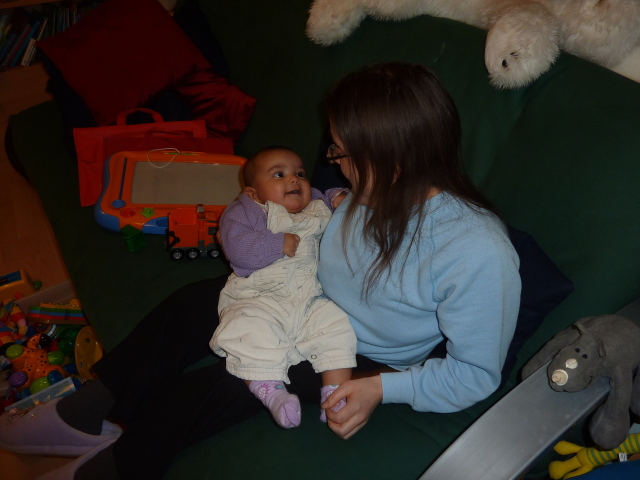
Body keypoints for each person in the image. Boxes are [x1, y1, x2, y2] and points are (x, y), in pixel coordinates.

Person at [0, 62, 521, 480]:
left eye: (341, 153)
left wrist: (380, 388)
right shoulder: (370, 191)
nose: (334, 163)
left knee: (210, 390)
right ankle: (82, 414)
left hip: (349, 346)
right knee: (189, 305)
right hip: (303, 291)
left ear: (393, 159)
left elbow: (475, 376)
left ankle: (112, 469)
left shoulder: (476, 251)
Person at [210, 146, 356, 428]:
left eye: (300, 174)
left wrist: (338, 196)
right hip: (260, 294)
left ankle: (335, 394)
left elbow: (326, 195)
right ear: (253, 193)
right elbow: (235, 247)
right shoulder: (245, 210)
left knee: (336, 325)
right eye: (279, 174)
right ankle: (271, 392)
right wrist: (274, 244)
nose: (293, 179)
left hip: (311, 294)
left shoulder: (316, 202)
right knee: (247, 330)